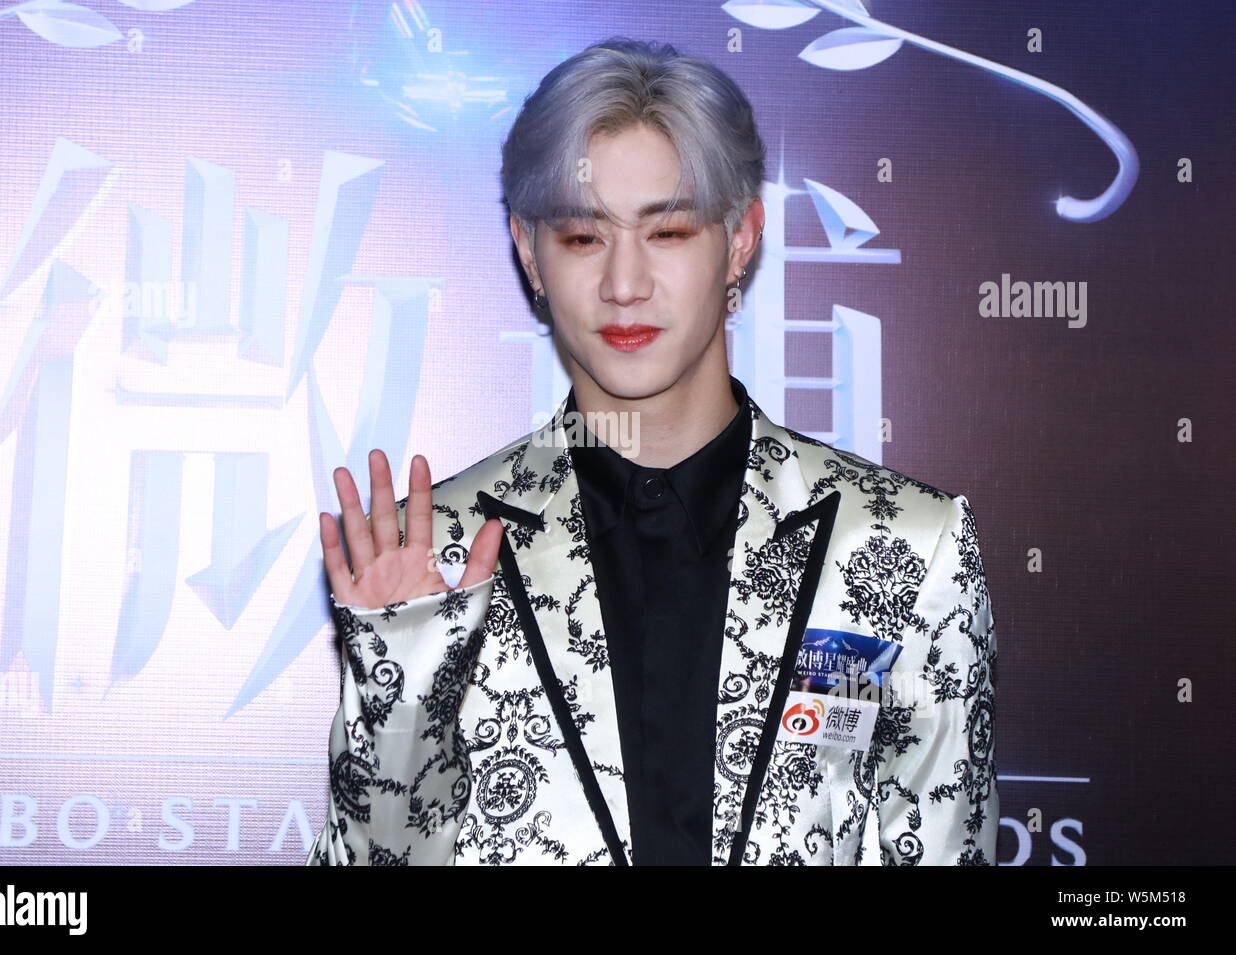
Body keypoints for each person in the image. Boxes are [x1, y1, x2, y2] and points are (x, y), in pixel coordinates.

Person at [306, 37, 998, 866]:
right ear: (529, 251)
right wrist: (402, 694)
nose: (624, 283)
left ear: (740, 238)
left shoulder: (900, 545)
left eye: (667, 231)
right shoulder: (443, 554)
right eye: (582, 238)